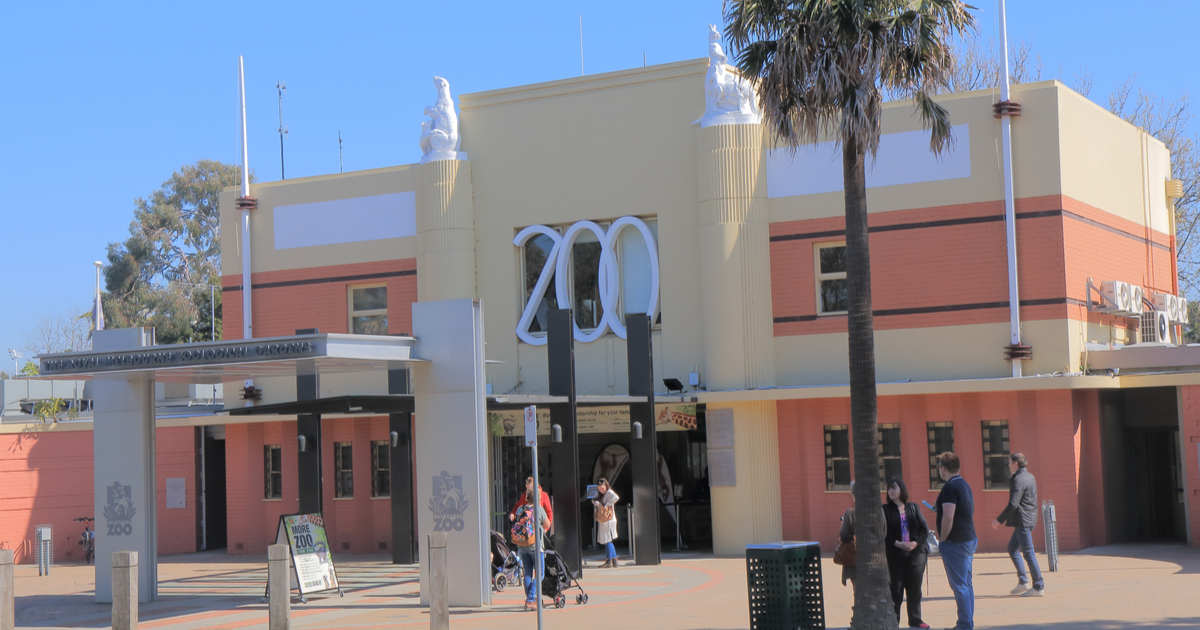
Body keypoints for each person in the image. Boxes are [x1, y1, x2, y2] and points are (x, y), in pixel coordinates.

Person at [991, 452, 1044, 597]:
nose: (1008, 465)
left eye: (1009, 462)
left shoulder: (1018, 479)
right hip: (1029, 518)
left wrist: (999, 520)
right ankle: (1023, 582)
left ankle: (1038, 586)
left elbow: (1013, 504)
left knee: (1028, 553)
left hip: (1022, 521)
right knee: (1012, 548)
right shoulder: (1030, 476)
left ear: (1016, 463)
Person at [935, 452, 977, 630]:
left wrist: (942, 539)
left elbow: (948, 517)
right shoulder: (964, 484)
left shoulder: (949, 488)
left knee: (959, 585)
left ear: (943, 468)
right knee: (966, 583)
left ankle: (964, 624)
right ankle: (967, 622)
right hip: (968, 538)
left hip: (955, 542)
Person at [883, 478, 930, 629]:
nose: (891, 491)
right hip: (895, 556)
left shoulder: (914, 508)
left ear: (902, 490)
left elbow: (924, 529)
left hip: (915, 557)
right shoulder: (884, 510)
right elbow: (883, 533)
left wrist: (915, 542)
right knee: (895, 591)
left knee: (915, 590)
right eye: (889, 489)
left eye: (894, 488)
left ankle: (916, 620)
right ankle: (893, 621)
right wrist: (897, 543)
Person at [513, 486, 551, 611]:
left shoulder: (520, 509)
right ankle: (530, 600)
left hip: (522, 546)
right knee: (540, 574)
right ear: (538, 497)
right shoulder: (538, 510)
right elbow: (547, 524)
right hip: (536, 546)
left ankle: (531, 599)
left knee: (528, 573)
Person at [592, 478, 620, 567]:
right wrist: (598, 504)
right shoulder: (600, 493)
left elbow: (616, 497)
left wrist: (606, 505)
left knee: (607, 540)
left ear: (606, 486)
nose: (601, 490)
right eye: (599, 488)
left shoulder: (609, 492)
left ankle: (610, 560)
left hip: (609, 519)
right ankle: (614, 560)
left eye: (602, 488)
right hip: (604, 520)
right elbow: (593, 500)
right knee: (607, 540)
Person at [838, 480, 857, 589]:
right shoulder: (880, 511)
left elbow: (843, 536)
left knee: (858, 590)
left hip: (854, 558)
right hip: (876, 560)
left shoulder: (850, 513)